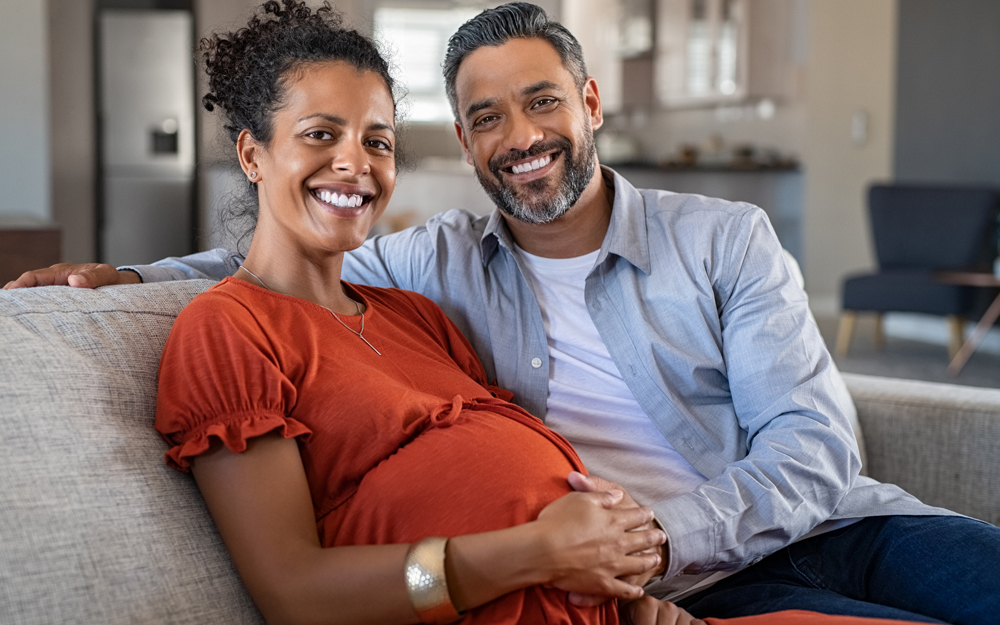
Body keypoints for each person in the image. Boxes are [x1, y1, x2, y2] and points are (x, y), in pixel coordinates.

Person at [7, 3, 999, 624]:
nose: (520, 137)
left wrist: (657, 533)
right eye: (485, 117)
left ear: (590, 103)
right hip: (657, 593)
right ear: (468, 144)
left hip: (811, 527)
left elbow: (813, 447)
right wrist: (133, 278)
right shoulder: (433, 261)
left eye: (541, 103)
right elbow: (281, 249)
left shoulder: (722, 237)